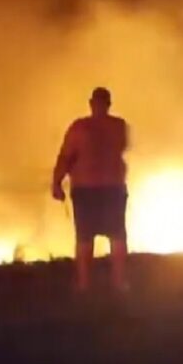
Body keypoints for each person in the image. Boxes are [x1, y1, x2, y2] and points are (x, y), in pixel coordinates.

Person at [52, 87, 130, 292]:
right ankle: (119, 283)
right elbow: (121, 147)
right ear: (109, 104)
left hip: (86, 189)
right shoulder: (119, 126)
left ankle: (84, 285)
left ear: (91, 103)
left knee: (85, 237)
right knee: (117, 236)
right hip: (113, 188)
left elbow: (66, 156)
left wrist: (57, 182)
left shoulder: (79, 128)